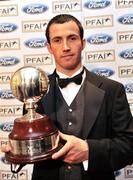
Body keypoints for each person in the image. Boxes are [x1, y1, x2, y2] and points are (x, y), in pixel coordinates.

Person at [2, 14, 133, 180]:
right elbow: (35, 144)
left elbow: (129, 145)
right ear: (49, 47)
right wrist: (19, 151)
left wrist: (89, 150)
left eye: (72, 38)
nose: (65, 47)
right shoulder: (34, 92)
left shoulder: (112, 90)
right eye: (57, 40)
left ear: (83, 43)